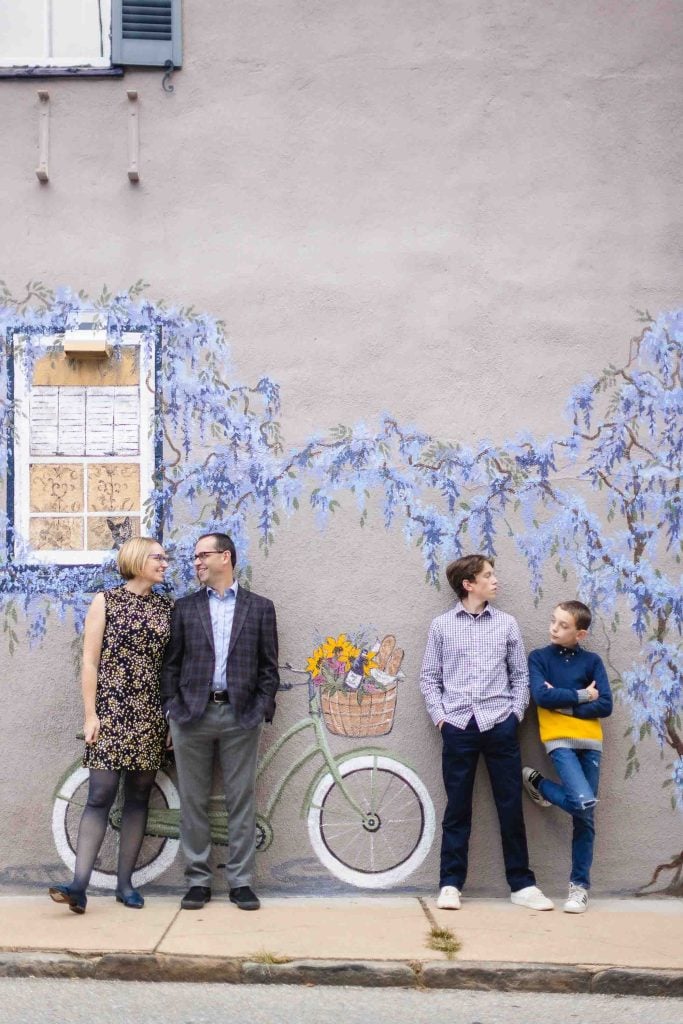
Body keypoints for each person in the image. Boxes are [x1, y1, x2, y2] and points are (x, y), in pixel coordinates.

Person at [419, 553, 553, 912]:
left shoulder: (506, 624)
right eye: (488, 576)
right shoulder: (441, 626)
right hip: (458, 727)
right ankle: (450, 883)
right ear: (469, 584)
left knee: (510, 805)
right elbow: (429, 678)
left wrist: (513, 714)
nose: (495, 581)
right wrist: (441, 719)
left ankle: (522, 884)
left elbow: (520, 677)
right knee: (457, 808)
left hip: (499, 724)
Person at [49, 536, 172, 913]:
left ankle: (125, 884)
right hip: (111, 710)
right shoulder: (106, 601)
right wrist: (91, 714)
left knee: (138, 798)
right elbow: (89, 662)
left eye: (166, 559)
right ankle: (79, 885)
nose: (165, 564)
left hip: (150, 712)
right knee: (100, 793)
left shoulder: (168, 608)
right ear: (137, 559)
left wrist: (168, 718)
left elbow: (171, 667)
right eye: (158, 558)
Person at [160, 532, 279, 912]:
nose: (196, 562)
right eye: (194, 557)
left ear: (225, 557)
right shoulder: (184, 608)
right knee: (193, 800)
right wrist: (171, 708)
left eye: (202, 555)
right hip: (191, 715)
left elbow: (268, 668)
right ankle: (197, 881)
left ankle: (241, 882)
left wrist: (260, 708)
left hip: (240, 715)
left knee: (240, 800)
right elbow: (171, 665)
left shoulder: (260, 608)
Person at [522, 601, 613, 914]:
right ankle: (540, 783)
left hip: (591, 742)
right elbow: (541, 697)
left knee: (584, 816)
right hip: (558, 740)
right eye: (553, 621)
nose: (554, 629)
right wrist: (584, 695)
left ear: (580, 633)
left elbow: (607, 706)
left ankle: (579, 888)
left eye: (563, 626)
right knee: (583, 803)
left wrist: (565, 704)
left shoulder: (591, 661)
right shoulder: (539, 658)